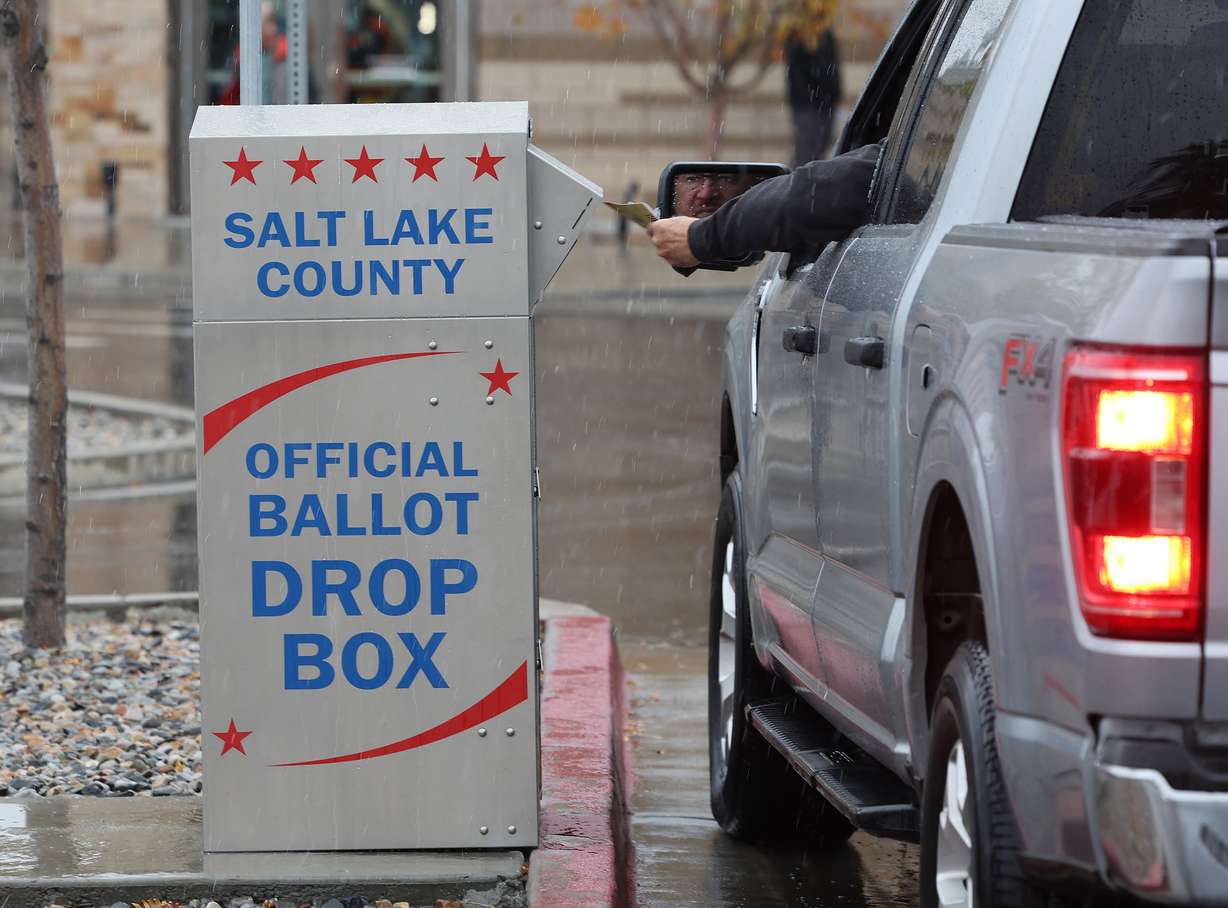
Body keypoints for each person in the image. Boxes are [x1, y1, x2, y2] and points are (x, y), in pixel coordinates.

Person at [647, 143, 883, 269]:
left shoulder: (885, 170)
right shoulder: (902, 162)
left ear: (752, 191)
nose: (707, 193)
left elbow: (808, 196)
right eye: (692, 180)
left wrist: (701, 238)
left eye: (726, 180)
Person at [786, 28, 843, 166]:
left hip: (826, 103)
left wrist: (834, 96)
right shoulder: (799, 32)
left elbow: (832, 66)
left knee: (819, 150)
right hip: (807, 105)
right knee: (806, 153)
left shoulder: (827, 34)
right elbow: (799, 71)